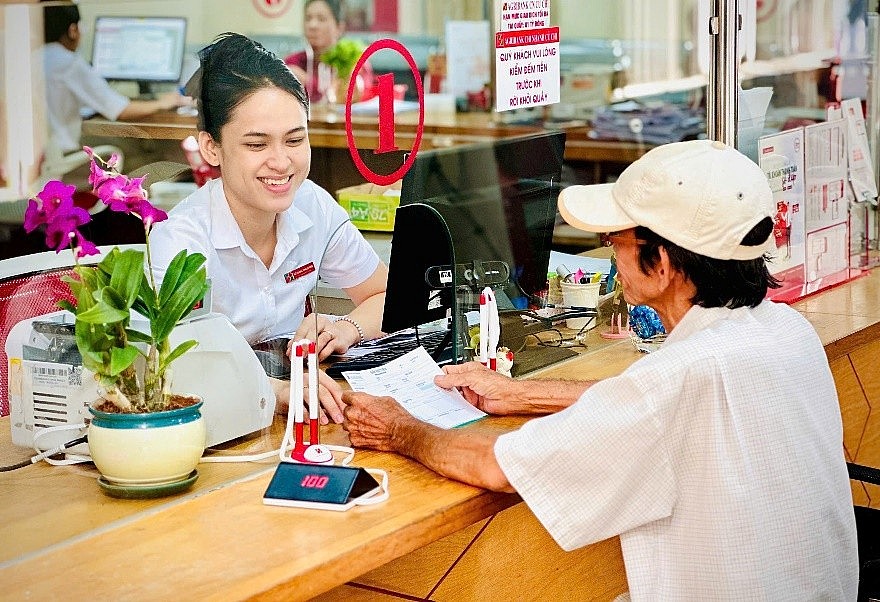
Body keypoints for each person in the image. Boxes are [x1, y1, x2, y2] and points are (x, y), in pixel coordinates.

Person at [341, 140, 859, 600]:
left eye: (616, 239)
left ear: (662, 264)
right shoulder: (786, 331)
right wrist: (521, 395)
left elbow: (496, 467)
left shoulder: (676, 381)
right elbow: (661, 402)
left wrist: (398, 428)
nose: (609, 250)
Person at [149, 33, 387, 425]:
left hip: (298, 414)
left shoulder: (312, 204)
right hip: (211, 424)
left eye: (295, 140)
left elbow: (383, 294)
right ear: (211, 148)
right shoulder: (179, 241)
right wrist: (275, 391)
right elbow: (170, 365)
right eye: (257, 145)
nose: (281, 162)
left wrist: (346, 328)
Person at [39, 2, 189, 160]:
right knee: (157, 157)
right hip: (63, 158)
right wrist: (162, 103)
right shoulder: (68, 62)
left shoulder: (35, 57)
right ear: (73, 30)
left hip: (45, 157)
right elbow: (121, 110)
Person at [283, 0, 373, 104]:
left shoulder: (353, 61)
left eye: (321, 19)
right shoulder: (294, 62)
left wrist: (308, 82)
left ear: (339, 27)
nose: (312, 25)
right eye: (308, 18)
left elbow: (363, 94)